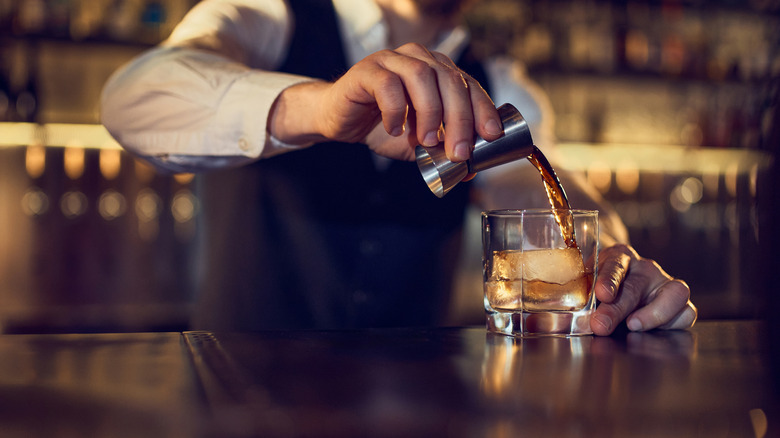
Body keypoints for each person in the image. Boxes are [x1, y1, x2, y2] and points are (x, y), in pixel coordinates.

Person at [101, 0, 697, 335]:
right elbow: (132, 98)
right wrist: (322, 107)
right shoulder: (267, 16)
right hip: (239, 397)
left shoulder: (503, 81)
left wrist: (608, 261)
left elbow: (533, 185)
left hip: (415, 408)